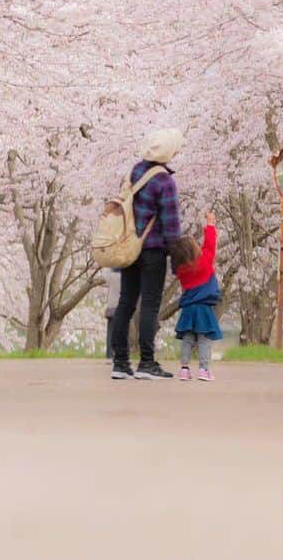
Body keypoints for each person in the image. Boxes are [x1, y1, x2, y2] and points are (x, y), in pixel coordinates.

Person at [110, 127, 184, 381]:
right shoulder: (164, 181)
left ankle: (120, 363)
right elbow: (171, 225)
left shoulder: (135, 171)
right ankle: (147, 363)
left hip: (129, 247)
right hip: (152, 251)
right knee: (150, 306)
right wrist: (177, 260)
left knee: (126, 302)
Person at [171, 210, 222, 382]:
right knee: (204, 339)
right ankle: (204, 369)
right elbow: (210, 245)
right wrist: (210, 224)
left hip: (188, 309)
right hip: (204, 309)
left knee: (187, 338)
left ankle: (184, 369)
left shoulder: (180, 271)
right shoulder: (205, 262)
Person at [104, 269, 122, 359]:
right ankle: (120, 354)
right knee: (122, 332)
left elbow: (105, 273)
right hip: (122, 308)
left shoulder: (111, 276)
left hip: (112, 307)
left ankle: (109, 354)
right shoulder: (125, 277)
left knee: (110, 333)